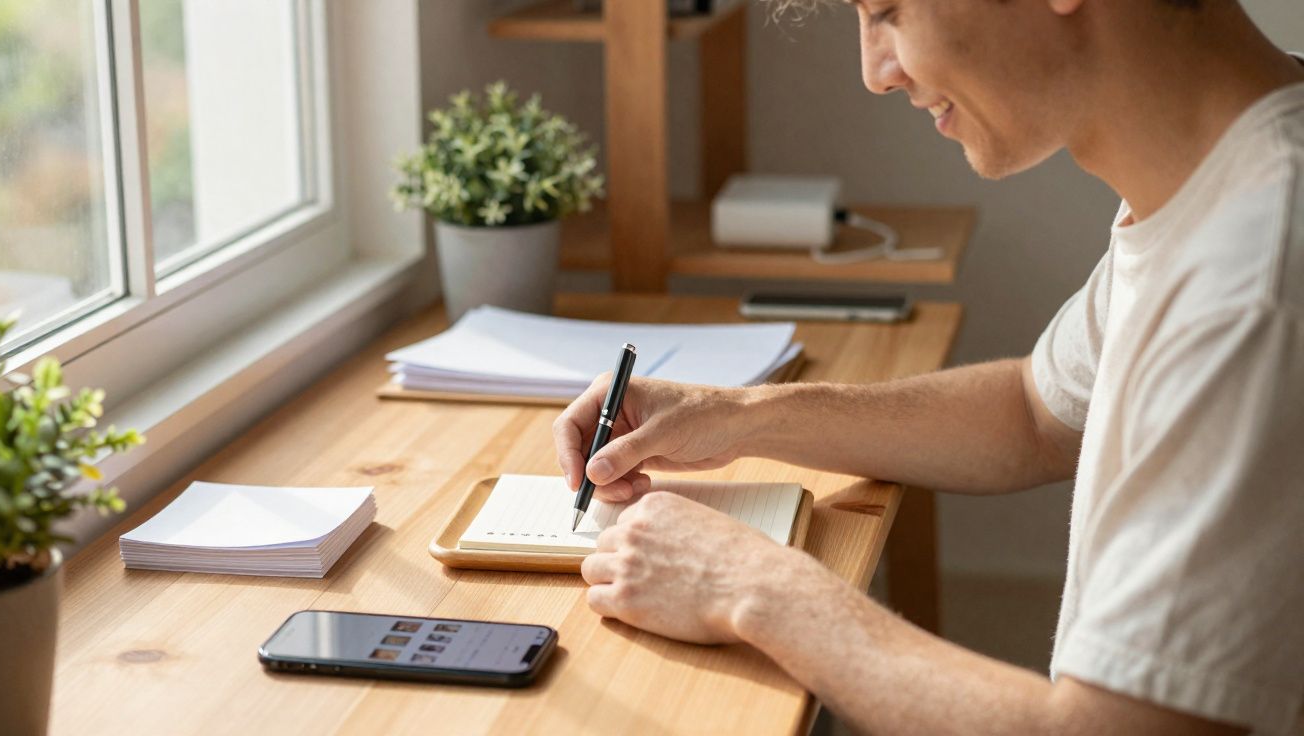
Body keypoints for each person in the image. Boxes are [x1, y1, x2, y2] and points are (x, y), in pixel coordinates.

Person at [552, 0, 1304, 733]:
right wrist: (739, 415)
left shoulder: (1252, 283)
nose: (875, 73)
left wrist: (753, 589)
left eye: (886, 12)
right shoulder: (1217, 185)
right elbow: (1033, 414)